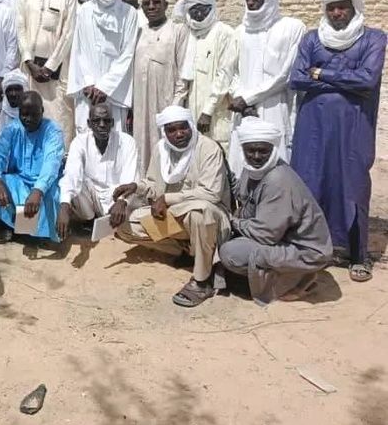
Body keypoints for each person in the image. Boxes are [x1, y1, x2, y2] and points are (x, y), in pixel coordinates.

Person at [290, 0, 387, 283]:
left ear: (354, 7)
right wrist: (343, 77)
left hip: (353, 127)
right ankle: (313, 248)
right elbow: (296, 78)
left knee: (352, 183)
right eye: (331, 8)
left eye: (342, 8)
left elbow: (367, 80)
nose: (336, 14)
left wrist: (320, 73)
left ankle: (357, 254)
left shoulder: (374, 38)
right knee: (311, 181)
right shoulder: (311, 38)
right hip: (313, 127)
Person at [113, 106, 232, 308]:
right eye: (172, 130)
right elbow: (152, 183)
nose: (179, 134)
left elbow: (211, 194)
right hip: (175, 215)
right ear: (164, 132)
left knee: (199, 213)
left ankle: (203, 280)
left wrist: (167, 198)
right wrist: (136, 187)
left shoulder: (207, 148)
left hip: (212, 217)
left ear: (190, 126)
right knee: (125, 226)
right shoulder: (162, 149)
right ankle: (187, 251)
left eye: (183, 128)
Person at [219, 118, 333, 305]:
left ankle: (294, 279)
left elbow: (265, 235)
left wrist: (233, 222)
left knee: (231, 253)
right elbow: (243, 196)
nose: (256, 156)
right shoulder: (253, 169)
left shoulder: (277, 179)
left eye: (263, 150)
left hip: (305, 251)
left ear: (273, 149)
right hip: (280, 238)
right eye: (251, 150)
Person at [227, 0, 305, 175]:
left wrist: (249, 98)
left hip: (274, 106)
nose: (251, 3)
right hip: (242, 109)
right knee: (240, 162)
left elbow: (285, 74)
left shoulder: (292, 28)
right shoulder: (240, 31)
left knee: (274, 160)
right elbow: (232, 71)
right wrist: (240, 99)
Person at [0, 91, 66, 242]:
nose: (28, 119)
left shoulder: (53, 131)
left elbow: (51, 164)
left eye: (34, 114)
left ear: (42, 111)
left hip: (46, 182)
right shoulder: (12, 129)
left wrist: (38, 190)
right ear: (19, 112)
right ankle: (16, 227)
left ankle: (31, 233)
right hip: (20, 180)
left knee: (53, 196)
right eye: (24, 114)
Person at [16, 0, 78, 145]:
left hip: (58, 71)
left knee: (60, 115)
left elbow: (68, 32)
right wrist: (29, 62)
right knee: (31, 113)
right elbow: (21, 29)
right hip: (31, 70)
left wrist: (50, 67)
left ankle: (61, 160)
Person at [67, 0, 138, 135]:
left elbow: (127, 54)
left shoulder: (129, 13)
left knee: (115, 135)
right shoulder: (84, 11)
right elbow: (79, 50)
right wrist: (89, 82)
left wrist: (105, 87)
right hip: (88, 90)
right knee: (86, 134)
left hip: (115, 91)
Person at [56, 102, 139, 239]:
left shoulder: (127, 141)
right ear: (89, 123)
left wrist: (121, 201)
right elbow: (72, 175)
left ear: (112, 123)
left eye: (106, 121)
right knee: (77, 180)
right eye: (96, 121)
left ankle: (107, 221)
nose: (101, 125)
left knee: (133, 215)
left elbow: (130, 177)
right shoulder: (80, 142)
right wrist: (64, 206)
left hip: (115, 200)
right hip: (90, 199)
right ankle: (88, 221)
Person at [131, 0, 189, 175]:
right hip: (141, 105)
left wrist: (175, 106)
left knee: (168, 144)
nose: (151, 7)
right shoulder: (138, 32)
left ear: (166, 4)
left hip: (167, 102)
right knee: (142, 144)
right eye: (146, 3)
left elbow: (183, 72)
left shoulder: (178, 30)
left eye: (156, 2)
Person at [177, 0, 238, 150]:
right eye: (193, 10)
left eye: (202, 10)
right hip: (192, 108)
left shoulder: (224, 33)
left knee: (218, 150)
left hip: (215, 112)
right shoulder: (189, 35)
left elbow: (224, 74)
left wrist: (208, 111)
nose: (198, 15)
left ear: (211, 8)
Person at [0, 68, 28, 152]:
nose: (13, 94)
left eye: (17, 89)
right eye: (9, 90)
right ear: (4, 92)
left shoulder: (33, 117)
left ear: (24, 91)